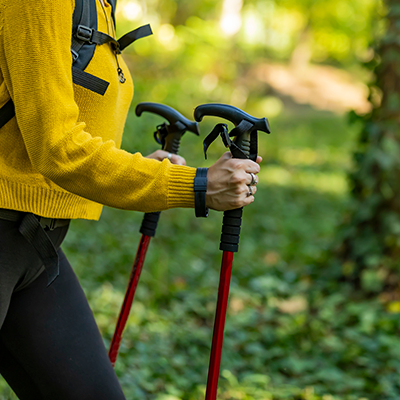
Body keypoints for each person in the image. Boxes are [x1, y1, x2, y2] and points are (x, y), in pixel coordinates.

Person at [0, 0, 261, 399]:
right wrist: (194, 185)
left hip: (34, 245)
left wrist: (145, 171)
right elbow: (58, 148)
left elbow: (57, 120)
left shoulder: (99, 4)